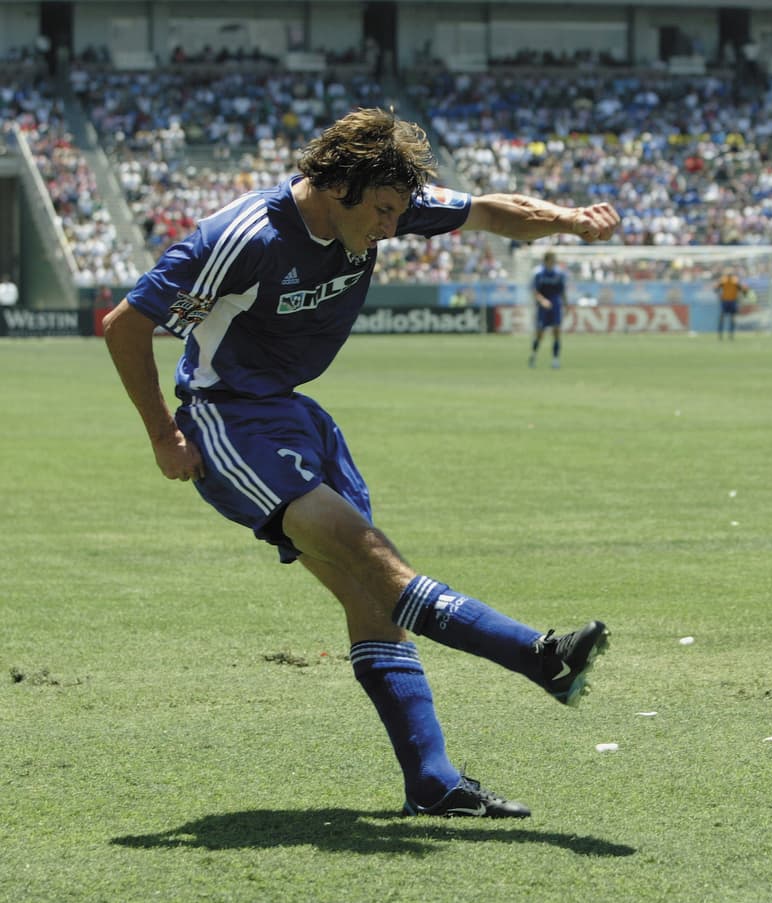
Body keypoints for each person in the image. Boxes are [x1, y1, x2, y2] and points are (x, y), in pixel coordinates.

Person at [102, 108, 621, 818]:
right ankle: (539, 656)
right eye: (381, 212)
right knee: (371, 556)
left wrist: (569, 220)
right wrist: (164, 435)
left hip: (297, 418)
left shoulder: (385, 203)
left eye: (398, 213)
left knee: (371, 595)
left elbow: (491, 213)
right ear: (338, 185)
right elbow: (125, 324)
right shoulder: (243, 237)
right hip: (228, 421)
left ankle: (432, 783)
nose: (391, 228)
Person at [529, 250, 567, 368]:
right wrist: (542, 301)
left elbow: (562, 291)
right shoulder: (538, 273)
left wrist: (566, 304)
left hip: (555, 305)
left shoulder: (559, 273)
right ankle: (533, 355)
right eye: (551, 259)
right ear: (546, 260)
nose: (553, 261)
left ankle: (555, 360)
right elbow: (534, 291)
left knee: (556, 332)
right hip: (543, 307)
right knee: (540, 333)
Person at [714, 269, 744, 340]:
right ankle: (722, 334)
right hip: (727, 301)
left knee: (729, 318)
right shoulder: (726, 280)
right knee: (726, 318)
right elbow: (716, 289)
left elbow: (716, 289)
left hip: (730, 301)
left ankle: (728, 334)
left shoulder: (731, 281)